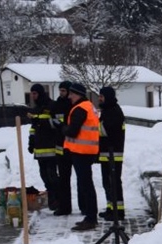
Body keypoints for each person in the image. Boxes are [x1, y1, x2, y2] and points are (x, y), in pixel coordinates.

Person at [61, 82, 100, 232]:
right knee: (86, 184)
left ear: (78, 94)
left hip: (82, 152)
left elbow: (72, 131)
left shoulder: (80, 109)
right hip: (87, 151)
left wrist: (62, 127)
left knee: (86, 185)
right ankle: (90, 217)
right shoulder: (89, 106)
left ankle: (91, 218)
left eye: (72, 94)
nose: (69, 97)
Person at [27, 84, 60, 212]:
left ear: (40, 93)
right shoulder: (35, 109)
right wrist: (31, 142)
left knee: (52, 176)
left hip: (51, 147)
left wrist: (39, 120)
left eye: (35, 93)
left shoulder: (52, 106)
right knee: (44, 176)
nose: (33, 96)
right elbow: (33, 128)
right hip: (39, 148)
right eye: (32, 94)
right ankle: (52, 198)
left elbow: (57, 124)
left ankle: (58, 199)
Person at [97, 86, 126, 219]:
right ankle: (111, 208)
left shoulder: (114, 111)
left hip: (113, 153)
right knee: (107, 182)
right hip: (106, 153)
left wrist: (94, 124)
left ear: (107, 97)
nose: (99, 98)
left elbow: (106, 130)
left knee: (113, 182)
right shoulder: (107, 110)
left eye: (101, 96)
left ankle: (118, 212)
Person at [51, 81, 74, 216]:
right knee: (63, 180)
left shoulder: (74, 105)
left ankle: (84, 207)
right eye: (60, 91)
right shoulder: (56, 105)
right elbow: (53, 120)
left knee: (82, 180)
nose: (61, 93)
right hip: (61, 147)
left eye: (64, 91)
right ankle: (65, 207)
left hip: (75, 147)